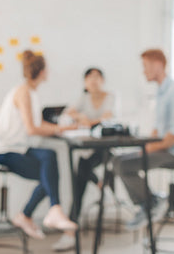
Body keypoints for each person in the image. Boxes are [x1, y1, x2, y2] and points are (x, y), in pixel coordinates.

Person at [0, 50, 77, 240]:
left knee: (49, 160)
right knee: (49, 170)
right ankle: (42, 212)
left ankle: (36, 214)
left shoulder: (31, 92)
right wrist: (62, 128)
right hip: (1, 150)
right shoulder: (24, 92)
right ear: (42, 71)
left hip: (16, 147)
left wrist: (66, 127)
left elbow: (37, 124)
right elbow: (31, 128)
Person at [113, 49, 174, 230]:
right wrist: (143, 146)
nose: (143, 71)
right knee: (118, 160)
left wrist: (148, 149)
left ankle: (150, 203)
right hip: (165, 148)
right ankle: (149, 203)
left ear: (158, 65)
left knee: (124, 165)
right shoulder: (161, 93)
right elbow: (157, 130)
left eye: (145, 66)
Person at [53, 68, 116, 251]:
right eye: (89, 78)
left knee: (81, 172)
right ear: (85, 82)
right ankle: (100, 183)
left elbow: (106, 119)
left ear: (102, 80)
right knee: (79, 180)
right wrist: (80, 116)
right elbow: (67, 114)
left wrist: (87, 120)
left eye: (97, 77)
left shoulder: (111, 97)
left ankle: (70, 233)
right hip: (88, 149)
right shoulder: (83, 98)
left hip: (105, 149)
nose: (93, 81)